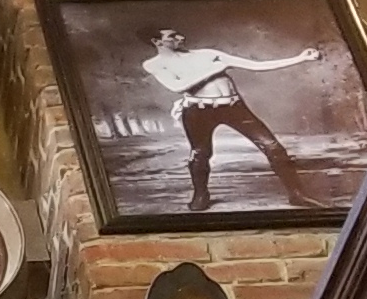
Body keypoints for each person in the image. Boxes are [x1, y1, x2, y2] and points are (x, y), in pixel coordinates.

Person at [139, 26, 325, 209]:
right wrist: (216, 68)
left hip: (234, 107)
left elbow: (255, 65)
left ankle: (297, 194)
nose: (180, 37)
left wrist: (300, 58)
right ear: (157, 42)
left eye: (178, 34)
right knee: (200, 153)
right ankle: (201, 195)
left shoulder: (206, 54)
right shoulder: (154, 64)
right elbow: (178, 86)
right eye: (172, 36)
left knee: (272, 146)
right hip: (198, 111)